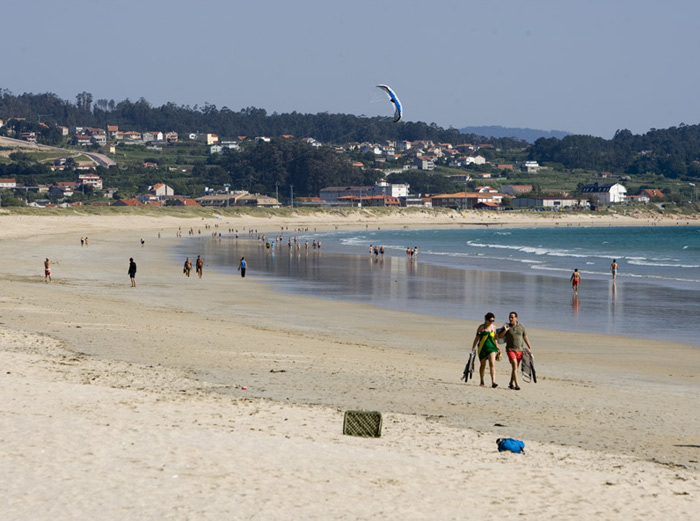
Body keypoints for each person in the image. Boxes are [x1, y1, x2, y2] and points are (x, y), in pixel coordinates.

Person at [499, 311, 533, 391]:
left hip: (520, 350)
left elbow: (525, 337)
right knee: (514, 364)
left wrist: (529, 346)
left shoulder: (521, 326)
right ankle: (517, 385)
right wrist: (505, 330)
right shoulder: (506, 326)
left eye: (512, 317)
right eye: (509, 317)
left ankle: (511, 383)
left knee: (515, 368)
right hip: (510, 350)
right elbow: (500, 336)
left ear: (516, 318)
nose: (510, 319)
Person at [471, 312, 499, 388]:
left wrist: (497, 348)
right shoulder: (481, 328)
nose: (491, 322)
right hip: (482, 348)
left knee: (492, 364)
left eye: (493, 320)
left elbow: (495, 338)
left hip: (492, 348)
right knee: (483, 365)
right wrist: (473, 348)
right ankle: (482, 381)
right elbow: (476, 338)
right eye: (490, 320)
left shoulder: (494, 327)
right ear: (486, 319)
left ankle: (493, 382)